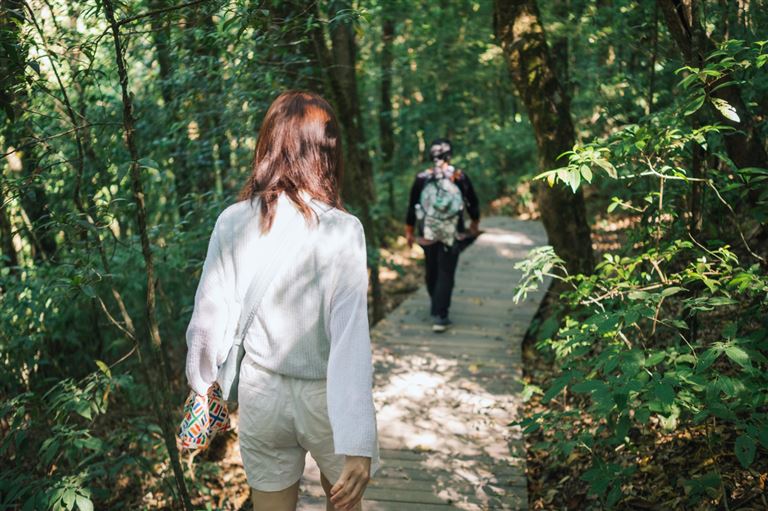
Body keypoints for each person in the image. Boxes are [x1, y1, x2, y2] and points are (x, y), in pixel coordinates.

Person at [184, 91, 379, 511]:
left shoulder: (233, 220)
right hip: (326, 399)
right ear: (327, 151)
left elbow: (208, 319)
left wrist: (203, 388)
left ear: (268, 143)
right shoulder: (343, 229)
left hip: (261, 392)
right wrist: (359, 439)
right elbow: (350, 341)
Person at [405, 138, 481, 333]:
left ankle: (436, 305)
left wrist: (409, 231)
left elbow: (413, 206)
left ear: (432, 156)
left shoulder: (422, 177)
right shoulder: (459, 176)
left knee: (432, 270)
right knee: (446, 272)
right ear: (450, 155)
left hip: (428, 232)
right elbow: (472, 202)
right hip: (453, 232)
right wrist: (474, 222)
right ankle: (441, 315)